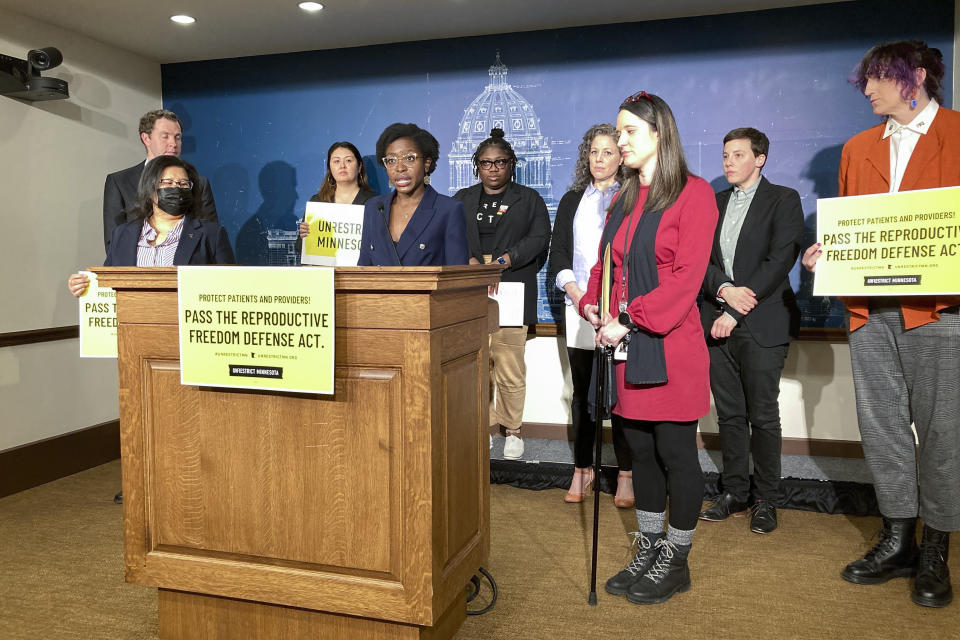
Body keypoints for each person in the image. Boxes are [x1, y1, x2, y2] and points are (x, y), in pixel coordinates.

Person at [802, 41, 959, 608]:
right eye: (864, 79)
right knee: (882, 428)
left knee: (943, 433)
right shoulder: (857, 147)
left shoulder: (958, 134)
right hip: (868, 312)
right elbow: (853, 226)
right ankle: (898, 539)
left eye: (878, 78)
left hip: (939, 311)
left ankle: (937, 548)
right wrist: (828, 255)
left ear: (915, 77)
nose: (867, 89)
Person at [580, 91, 717, 605]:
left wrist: (630, 320)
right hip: (623, 346)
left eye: (630, 131)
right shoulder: (624, 196)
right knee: (638, 450)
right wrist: (593, 304)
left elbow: (685, 280)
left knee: (675, 453)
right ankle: (651, 545)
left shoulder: (694, 193)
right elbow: (603, 264)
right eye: (618, 132)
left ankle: (676, 559)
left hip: (668, 344)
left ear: (661, 133)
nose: (620, 141)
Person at [697, 128, 804, 534]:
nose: (728, 162)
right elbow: (698, 260)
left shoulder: (783, 199)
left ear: (760, 159)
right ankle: (735, 492)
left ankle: (766, 499)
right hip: (717, 321)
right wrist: (723, 290)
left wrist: (737, 309)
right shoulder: (715, 203)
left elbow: (780, 261)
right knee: (729, 415)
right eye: (725, 154)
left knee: (762, 415)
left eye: (738, 154)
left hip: (762, 323)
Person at [454, 128, 550, 461]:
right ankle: (484, 427)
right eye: (486, 163)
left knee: (509, 366)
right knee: (475, 366)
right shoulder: (461, 200)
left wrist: (503, 262)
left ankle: (513, 430)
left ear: (512, 164)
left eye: (500, 162)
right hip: (470, 291)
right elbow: (449, 236)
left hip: (511, 285)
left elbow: (539, 238)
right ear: (476, 166)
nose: (493, 169)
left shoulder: (530, 199)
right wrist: (469, 261)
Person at [549, 123, 633, 505]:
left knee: (624, 397)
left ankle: (627, 475)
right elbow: (559, 256)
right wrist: (579, 297)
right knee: (582, 394)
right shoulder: (571, 201)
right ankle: (582, 470)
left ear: (622, 158)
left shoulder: (635, 197)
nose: (599, 159)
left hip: (623, 313)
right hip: (580, 308)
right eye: (594, 152)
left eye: (608, 152)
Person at [70, 155, 234, 290]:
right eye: (167, 183)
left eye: (183, 184)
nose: (176, 188)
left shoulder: (211, 234)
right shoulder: (122, 235)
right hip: (133, 326)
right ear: (149, 189)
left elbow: (230, 287)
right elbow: (108, 284)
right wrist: (83, 286)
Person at [103, 109, 217, 252]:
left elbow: (212, 240)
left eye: (177, 137)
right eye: (165, 136)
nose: (173, 144)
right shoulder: (119, 182)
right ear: (146, 138)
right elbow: (113, 243)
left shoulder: (199, 184)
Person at [357, 123, 468, 266]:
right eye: (391, 160)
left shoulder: (448, 210)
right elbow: (364, 267)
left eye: (409, 158)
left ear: (427, 163)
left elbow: (457, 276)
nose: (400, 168)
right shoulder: (374, 208)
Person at [297, 141, 376, 248]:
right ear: (330, 168)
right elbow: (301, 248)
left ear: (359, 166)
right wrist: (304, 236)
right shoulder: (318, 201)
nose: (342, 166)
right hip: (324, 265)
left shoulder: (374, 203)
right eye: (336, 161)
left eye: (348, 160)